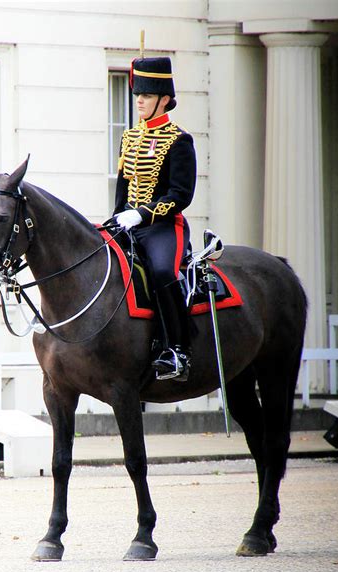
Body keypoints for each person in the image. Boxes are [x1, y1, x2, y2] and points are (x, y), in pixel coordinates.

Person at [113, 56, 197, 381]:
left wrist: (143, 214)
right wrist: (116, 219)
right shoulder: (129, 138)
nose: (139, 101)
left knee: (162, 272)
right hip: (129, 224)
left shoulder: (179, 140)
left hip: (163, 227)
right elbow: (122, 189)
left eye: (146, 96)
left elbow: (180, 195)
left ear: (163, 99)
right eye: (138, 95)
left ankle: (178, 349)